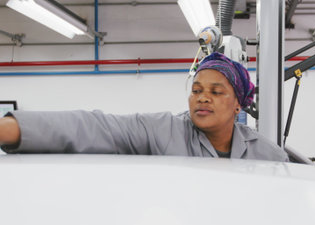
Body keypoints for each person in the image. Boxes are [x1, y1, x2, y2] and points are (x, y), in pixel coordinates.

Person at [0, 52, 288, 162]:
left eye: (216, 92)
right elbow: (96, 128)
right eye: (196, 90)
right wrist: (11, 128)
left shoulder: (268, 154)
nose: (202, 98)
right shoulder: (163, 131)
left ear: (238, 102)